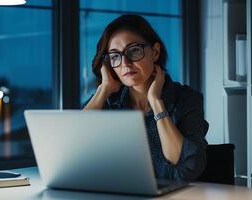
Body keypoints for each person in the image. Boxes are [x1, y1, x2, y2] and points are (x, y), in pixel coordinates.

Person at [83, 14, 208, 182]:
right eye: (115, 56)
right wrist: (103, 89)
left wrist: (156, 102)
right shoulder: (109, 101)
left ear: (155, 52)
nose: (125, 63)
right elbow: (74, 149)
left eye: (134, 50)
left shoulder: (186, 99)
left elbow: (184, 167)